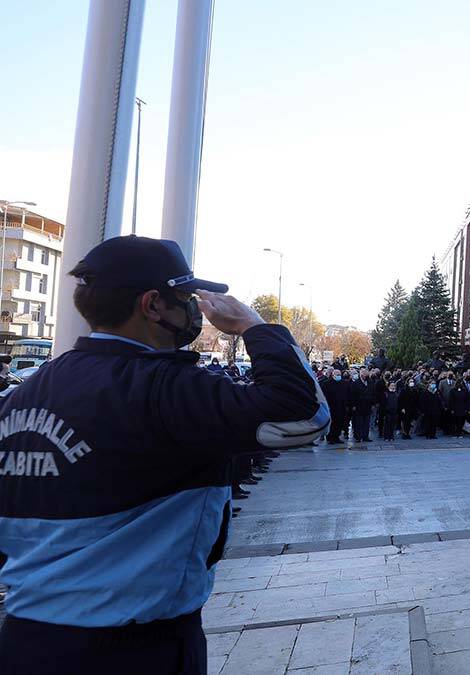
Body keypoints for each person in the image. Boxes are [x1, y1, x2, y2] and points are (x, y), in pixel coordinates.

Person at [0, 236, 329, 674]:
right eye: (186, 299)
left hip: (25, 640)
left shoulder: (23, 397)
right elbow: (305, 414)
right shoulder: (165, 388)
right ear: (153, 305)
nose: (195, 311)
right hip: (132, 647)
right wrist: (254, 325)